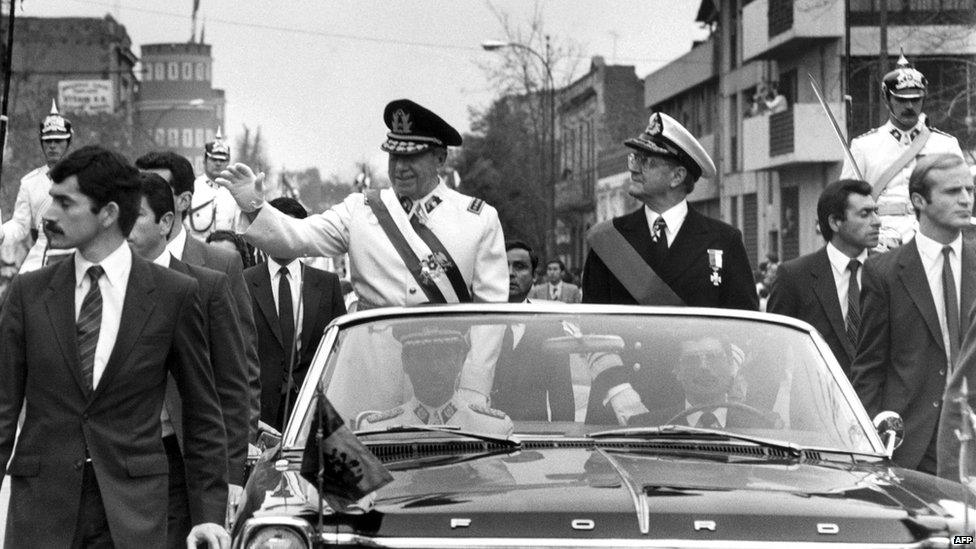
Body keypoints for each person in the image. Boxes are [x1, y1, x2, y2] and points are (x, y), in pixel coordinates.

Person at [0, 146, 229, 548]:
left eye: (64, 202)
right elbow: (1, 409)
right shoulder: (28, 292)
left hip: (133, 515)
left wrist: (209, 515)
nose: (48, 214)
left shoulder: (173, 294)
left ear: (107, 213)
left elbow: (201, 413)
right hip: (42, 513)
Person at [217, 98, 507, 406]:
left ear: (440, 158)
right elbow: (296, 237)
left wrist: (474, 387)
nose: (400, 167)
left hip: (447, 379)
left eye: (412, 157)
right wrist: (254, 205)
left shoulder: (478, 218)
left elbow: (492, 315)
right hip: (370, 376)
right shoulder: (362, 210)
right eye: (394, 156)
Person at [128, 172, 250, 547]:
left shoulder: (205, 287)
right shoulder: (106, 287)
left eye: (134, 217)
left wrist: (230, 475)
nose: (122, 228)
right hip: (117, 460)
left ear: (166, 223)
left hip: (177, 460)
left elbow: (231, 386)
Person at [852, 153, 976, 475]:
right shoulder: (885, 273)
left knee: (966, 528)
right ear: (919, 200)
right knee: (933, 528)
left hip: (971, 437)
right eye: (953, 192)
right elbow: (869, 367)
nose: (966, 200)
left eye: (970, 190)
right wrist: (870, 449)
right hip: (912, 446)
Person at [136, 150, 261, 443]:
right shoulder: (118, 267)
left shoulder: (221, 266)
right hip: (130, 453)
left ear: (183, 201)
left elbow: (243, 368)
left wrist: (238, 452)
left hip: (197, 447)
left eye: (156, 187)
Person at [581, 111, 757, 310]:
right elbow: (592, 329)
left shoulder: (724, 241)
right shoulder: (609, 241)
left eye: (646, 161)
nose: (634, 168)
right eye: (634, 158)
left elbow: (745, 330)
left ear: (677, 176)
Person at [841, 54, 965, 251]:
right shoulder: (863, 146)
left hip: (934, 236)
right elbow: (846, 203)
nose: (909, 106)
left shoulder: (946, 145)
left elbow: (961, 195)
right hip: (882, 241)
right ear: (886, 97)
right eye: (901, 99)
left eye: (916, 99)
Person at [243, 197, 346, 430]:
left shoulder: (326, 284)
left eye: (291, 231)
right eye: (278, 230)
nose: (283, 239)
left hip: (313, 407)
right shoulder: (244, 282)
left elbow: (339, 350)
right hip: (260, 410)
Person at [768, 180, 881, 377]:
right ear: (835, 222)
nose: (877, 221)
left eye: (876, 211)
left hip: (876, 402)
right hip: (817, 398)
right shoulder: (794, 277)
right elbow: (773, 349)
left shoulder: (888, 272)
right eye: (865, 214)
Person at [360, 326, 514, 436]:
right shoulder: (377, 432)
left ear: (460, 360)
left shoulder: (494, 429)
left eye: (443, 356)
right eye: (422, 357)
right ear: (405, 362)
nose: (434, 368)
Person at [490, 240, 574, 421]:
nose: (511, 273)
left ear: (534, 276)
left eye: (520, 267)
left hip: (534, 438)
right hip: (484, 438)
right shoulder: (479, 322)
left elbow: (562, 396)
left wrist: (564, 443)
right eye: (504, 267)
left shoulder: (550, 328)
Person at [0, 99, 75, 271]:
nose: (52, 146)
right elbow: (20, 225)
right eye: (48, 141)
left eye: (58, 140)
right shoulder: (29, 182)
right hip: (42, 248)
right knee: (21, 288)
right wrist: (3, 233)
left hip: (76, 248)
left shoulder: (83, 175)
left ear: (68, 142)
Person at [186, 128, 242, 242]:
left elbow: (238, 231)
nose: (218, 163)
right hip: (195, 251)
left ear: (228, 162)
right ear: (205, 160)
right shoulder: (192, 187)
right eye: (213, 159)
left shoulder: (234, 192)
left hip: (224, 253)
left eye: (222, 160)